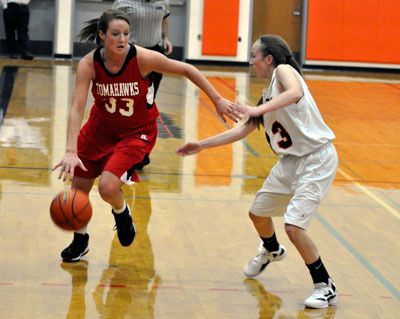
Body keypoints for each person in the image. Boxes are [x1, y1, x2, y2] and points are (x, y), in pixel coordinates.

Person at [52, 9, 239, 263]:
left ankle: (122, 211)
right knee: (78, 190)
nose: (122, 39)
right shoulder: (89, 63)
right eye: (116, 34)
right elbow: (76, 108)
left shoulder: (142, 58)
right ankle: (80, 241)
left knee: (108, 187)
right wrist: (70, 150)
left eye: (126, 34)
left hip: (136, 132)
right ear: (102, 35)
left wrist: (216, 98)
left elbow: (187, 69)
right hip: (99, 129)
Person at [176, 35, 339, 309]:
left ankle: (325, 285)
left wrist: (257, 108)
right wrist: (201, 145)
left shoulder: (284, 72)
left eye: (254, 55)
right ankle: (272, 250)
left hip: (316, 159)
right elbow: (243, 129)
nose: (251, 61)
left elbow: (295, 92)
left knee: (294, 227)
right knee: (258, 214)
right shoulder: (267, 94)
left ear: (269, 59)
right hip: (290, 162)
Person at [112, 0, 173, 170]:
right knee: (128, 106)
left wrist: (165, 38)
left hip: (154, 55)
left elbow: (165, 18)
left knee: (147, 106)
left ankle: (142, 152)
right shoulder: (123, 3)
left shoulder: (163, 2)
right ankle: (121, 150)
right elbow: (110, 25)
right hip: (130, 55)